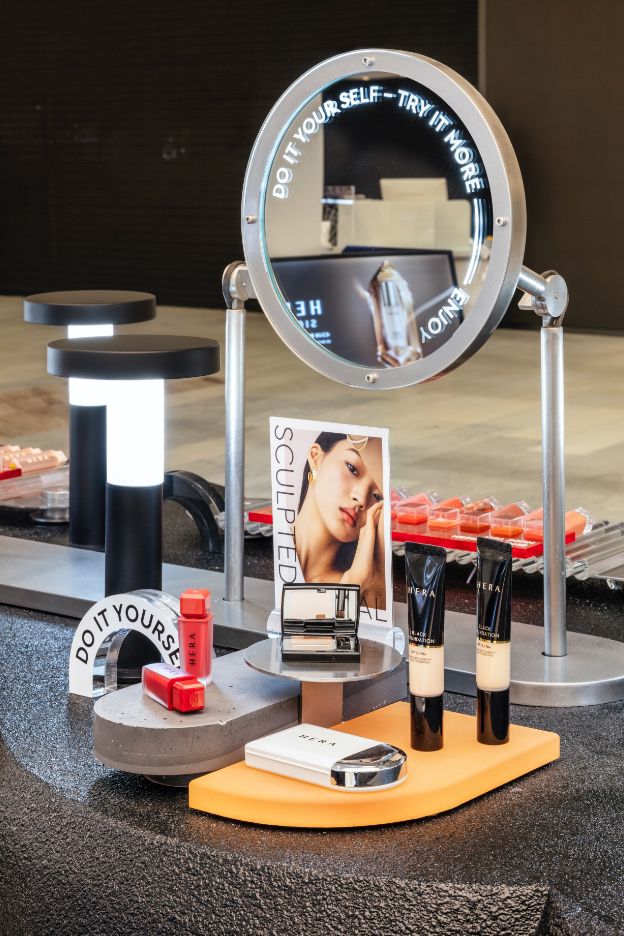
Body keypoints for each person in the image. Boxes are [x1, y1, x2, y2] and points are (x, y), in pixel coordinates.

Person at [293, 432, 386, 612]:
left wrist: (356, 581)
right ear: (316, 457)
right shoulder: (270, 555)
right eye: (352, 468)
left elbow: (330, 638)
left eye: (377, 496)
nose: (361, 498)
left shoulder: (367, 586)